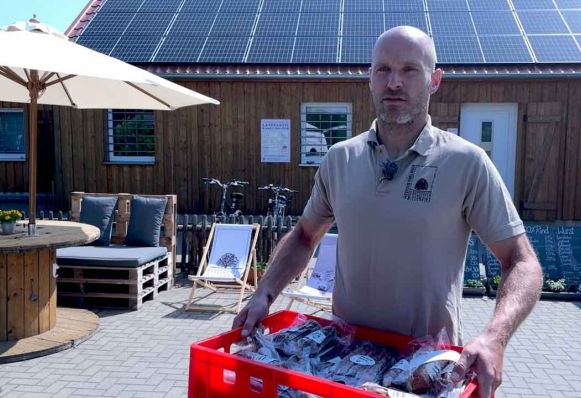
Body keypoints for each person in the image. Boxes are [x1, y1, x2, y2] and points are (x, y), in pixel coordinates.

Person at [233, 26, 543, 398]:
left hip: (425, 373)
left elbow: (522, 261)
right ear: (370, 78)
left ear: (435, 80)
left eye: (410, 70)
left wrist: (495, 336)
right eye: (383, 70)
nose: (394, 82)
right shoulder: (340, 158)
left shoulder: (466, 162)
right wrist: (264, 293)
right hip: (342, 363)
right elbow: (303, 236)